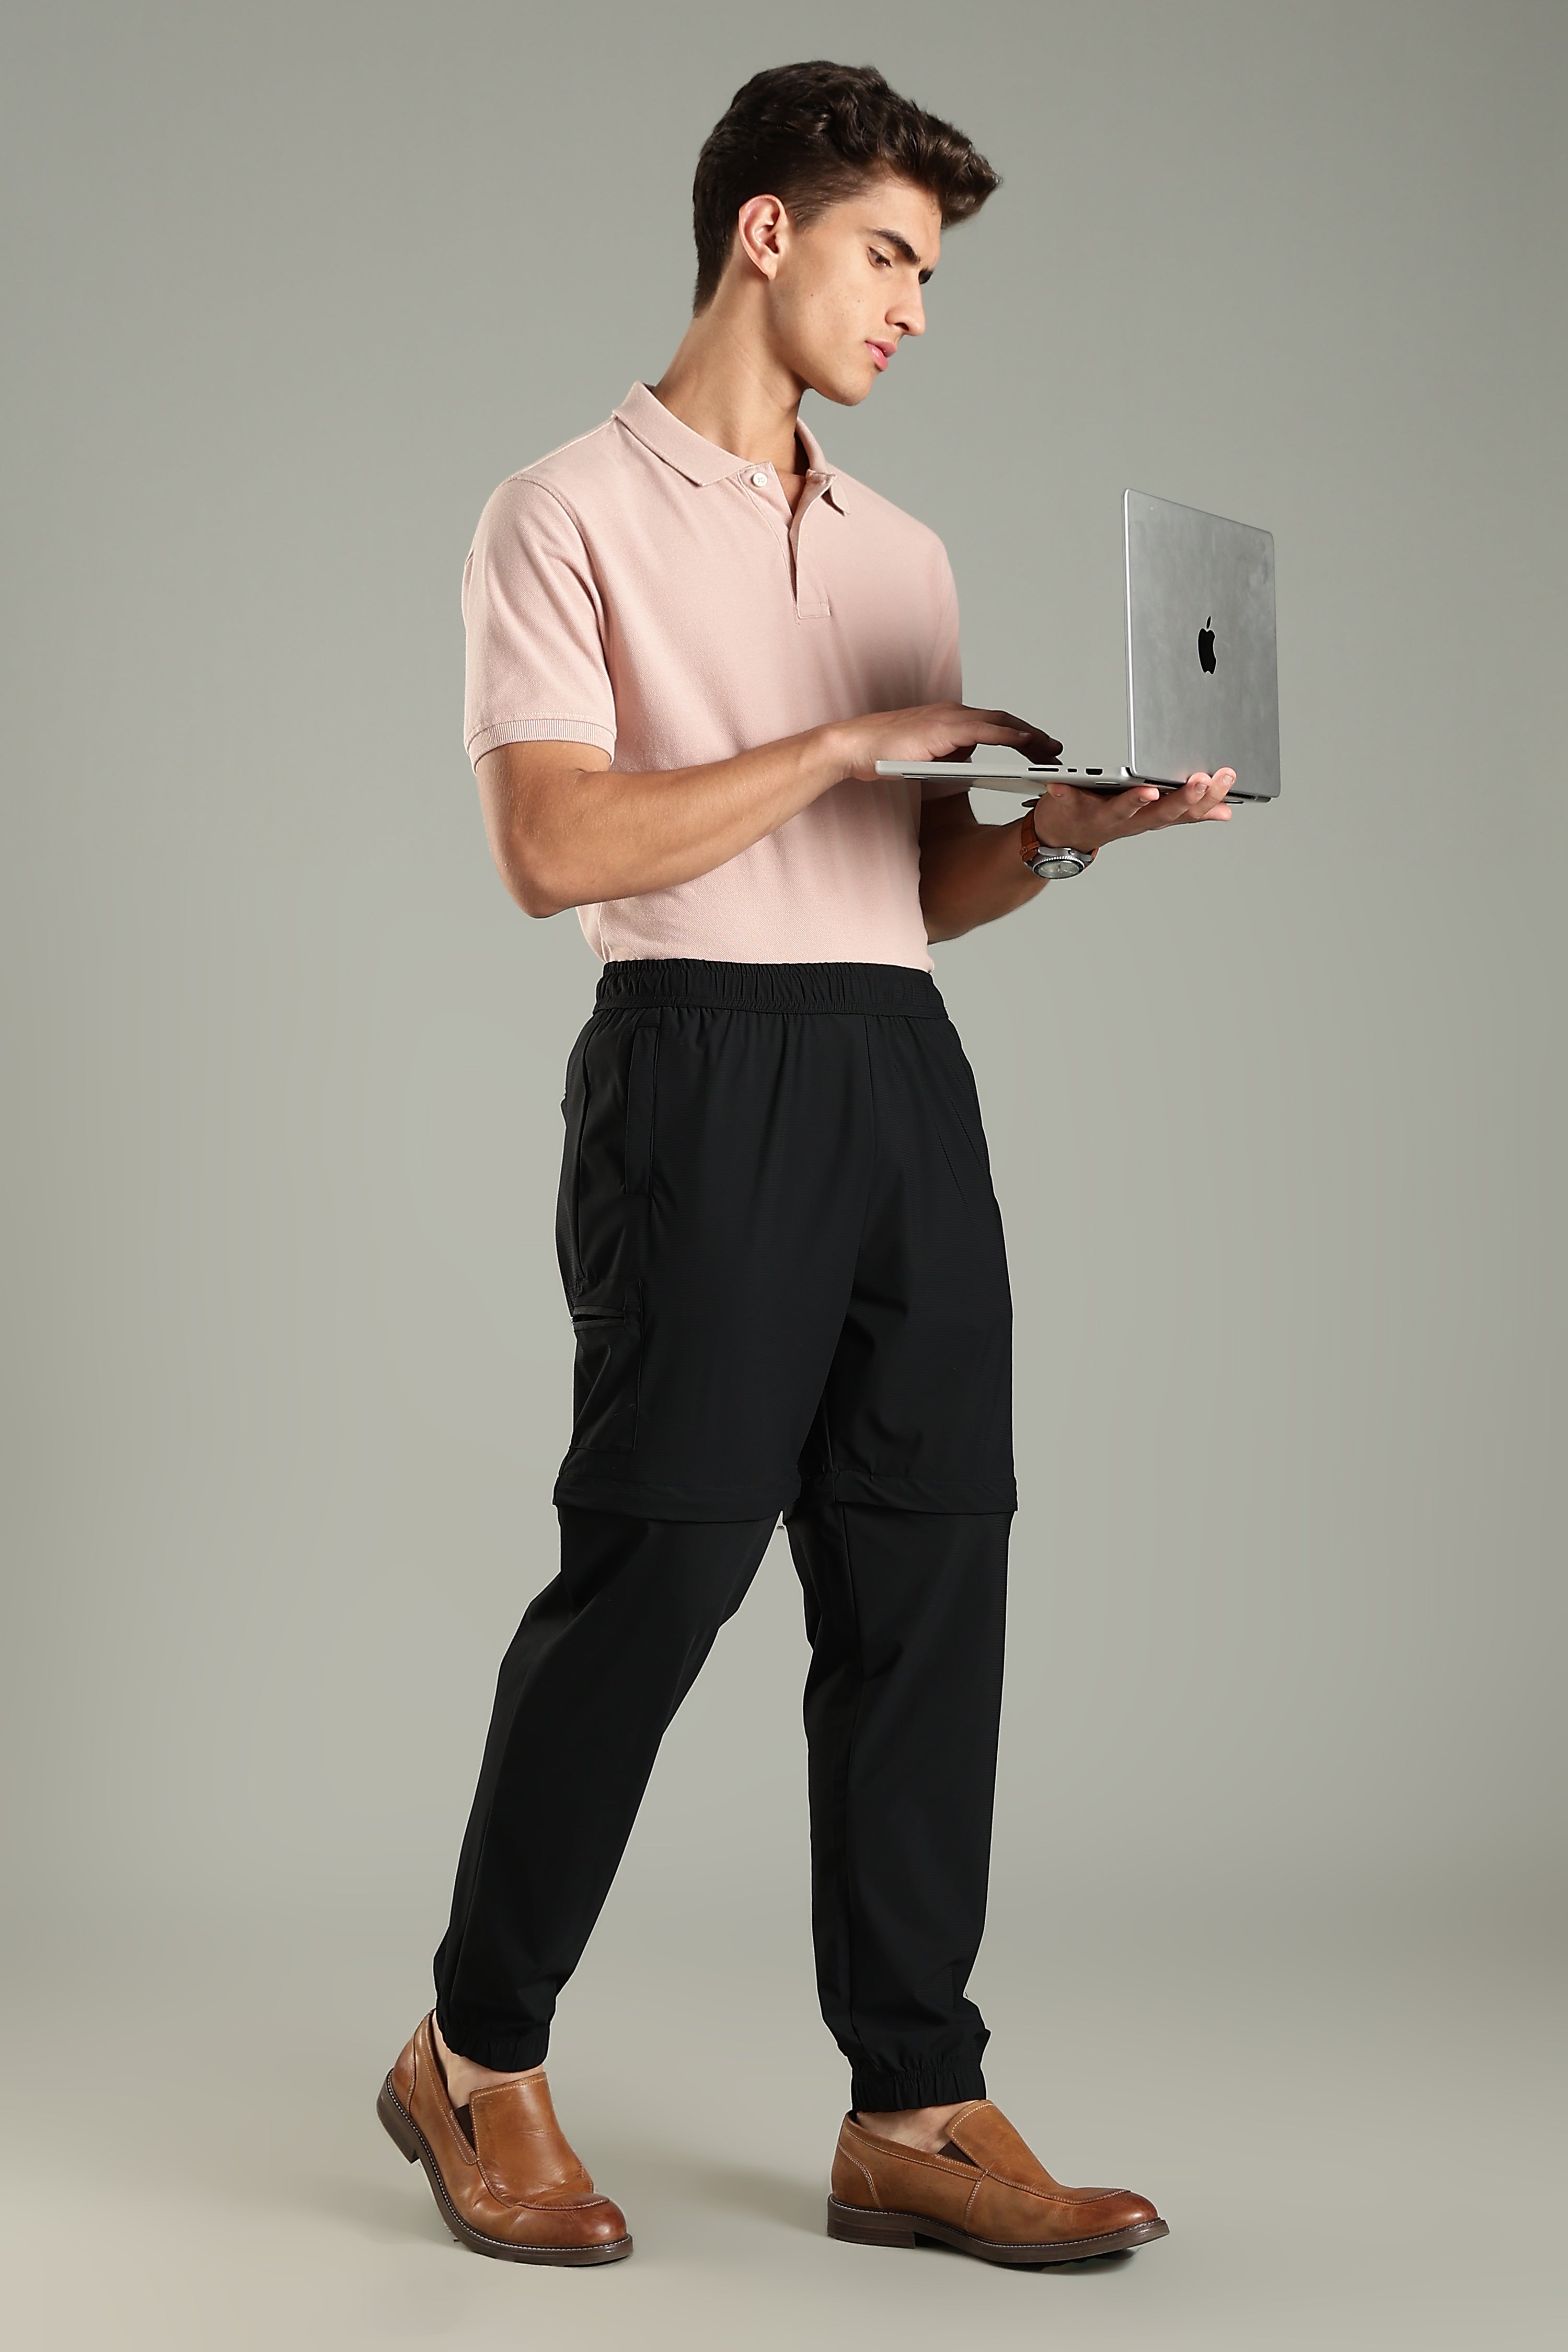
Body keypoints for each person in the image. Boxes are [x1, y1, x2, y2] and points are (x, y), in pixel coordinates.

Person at [377, 59, 1233, 2270]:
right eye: (889, 256)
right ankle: (474, 2052)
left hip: (894, 1066)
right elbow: (555, 843)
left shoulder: (898, 551)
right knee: (661, 1564)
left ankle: (914, 2103)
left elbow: (905, 893)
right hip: (696, 1066)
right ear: (767, 232)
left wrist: (1066, 836)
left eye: (928, 274)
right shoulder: (558, 512)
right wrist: (850, 737)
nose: (915, 308)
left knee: (930, 1567)